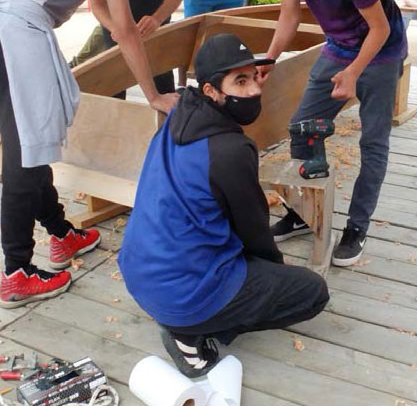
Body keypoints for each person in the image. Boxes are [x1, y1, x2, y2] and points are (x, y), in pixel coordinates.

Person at [0, 0, 178, 309]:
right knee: (24, 153)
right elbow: (127, 30)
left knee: (29, 141)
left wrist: (117, 30)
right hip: (16, 29)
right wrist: (153, 94)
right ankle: (17, 272)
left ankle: (61, 234)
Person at [118, 33, 329, 377]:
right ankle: (189, 335)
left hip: (139, 273)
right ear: (211, 91)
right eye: (240, 81)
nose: (255, 91)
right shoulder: (229, 150)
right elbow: (254, 228)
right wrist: (274, 271)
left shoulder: (179, 114)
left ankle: (196, 316)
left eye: (254, 77)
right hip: (181, 295)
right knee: (312, 292)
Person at [265, 0, 407, 266]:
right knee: (302, 127)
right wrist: (269, 58)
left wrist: (352, 73)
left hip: (381, 51)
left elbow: (379, 29)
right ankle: (303, 212)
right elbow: (290, 15)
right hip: (337, 45)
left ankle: (357, 227)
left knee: (372, 142)